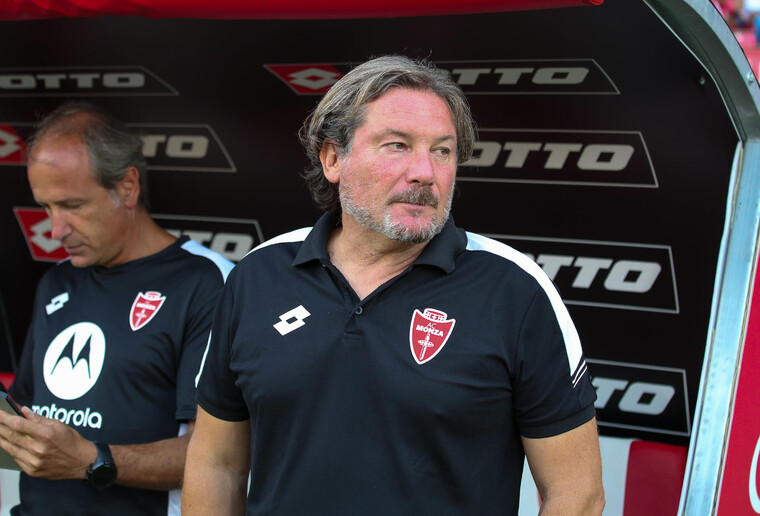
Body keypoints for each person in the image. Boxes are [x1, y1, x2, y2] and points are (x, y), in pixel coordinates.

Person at [183, 55, 605, 515]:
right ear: (333, 158)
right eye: (398, 145)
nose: (425, 172)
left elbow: (577, 495)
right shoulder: (258, 275)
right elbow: (217, 464)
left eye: (442, 151)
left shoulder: (515, 290)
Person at [0, 101, 234, 516]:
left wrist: (94, 460)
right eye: (46, 207)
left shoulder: (207, 282)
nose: (55, 229)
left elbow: (219, 456)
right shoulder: (57, 280)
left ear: (127, 187)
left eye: (72, 206)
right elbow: (24, 416)